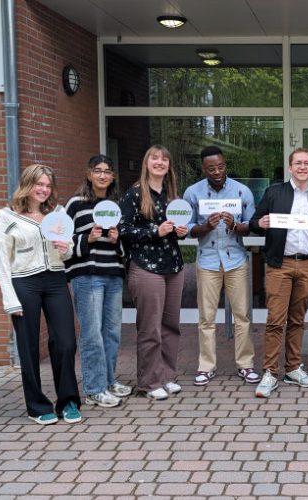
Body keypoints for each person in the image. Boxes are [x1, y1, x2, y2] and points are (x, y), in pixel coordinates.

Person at [0, 164, 82, 425]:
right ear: (27, 184)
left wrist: (65, 248)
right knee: (28, 345)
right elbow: (2, 259)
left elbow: (68, 251)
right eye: (39, 184)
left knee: (65, 342)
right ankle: (37, 406)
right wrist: (9, 299)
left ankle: (68, 402)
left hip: (55, 279)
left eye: (48, 185)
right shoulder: (7, 216)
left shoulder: (58, 213)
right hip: (24, 282)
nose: (44, 190)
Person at [249, 148, 308, 398]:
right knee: (275, 320)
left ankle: (293, 369)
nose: (302, 167)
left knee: (297, 320)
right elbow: (254, 222)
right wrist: (259, 223)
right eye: (298, 163)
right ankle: (270, 373)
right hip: (279, 266)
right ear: (290, 167)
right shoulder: (274, 193)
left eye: (306, 163)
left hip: (307, 265)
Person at [183, 146, 260, 386]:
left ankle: (245, 365)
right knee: (206, 317)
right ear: (203, 168)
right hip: (207, 261)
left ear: (225, 164)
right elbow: (186, 228)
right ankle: (206, 367)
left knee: (242, 316)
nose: (217, 172)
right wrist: (206, 226)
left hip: (236, 260)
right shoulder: (192, 193)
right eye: (211, 168)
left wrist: (235, 226)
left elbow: (252, 225)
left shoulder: (242, 191)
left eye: (221, 166)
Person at [119, 145, 189, 400]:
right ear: (146, 163)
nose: (160, 162)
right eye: (154, 158)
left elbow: (178, 230)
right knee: (150, 328)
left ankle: (166, 376)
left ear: (169, 165)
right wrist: (154, 231)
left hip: (173, 266)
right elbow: (122, 229)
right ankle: (149, 382)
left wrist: (181, 232)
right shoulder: (135, 194)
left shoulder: (173, 196)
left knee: (171, 326)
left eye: (164, 159)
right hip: (146, 266)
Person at [65, 154, 131, 408]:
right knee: (92, 334)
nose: (102, 175)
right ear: (89, 174)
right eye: (98, 170)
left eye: (107, 171)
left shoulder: (116, 205)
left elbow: (125, 248)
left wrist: (117, 240)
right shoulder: (76, 204)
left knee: (112, 333)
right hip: (87, 276)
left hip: (113, 274)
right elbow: (63, 243)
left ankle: (109, 381)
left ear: (113, 177)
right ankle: (94, 389)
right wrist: (87, 239)